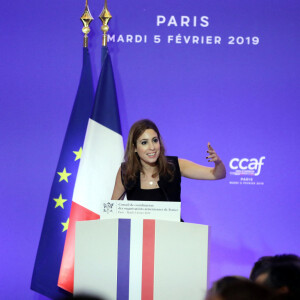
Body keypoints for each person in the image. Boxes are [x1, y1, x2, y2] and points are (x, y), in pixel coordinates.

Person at [111, 119, 226, 202]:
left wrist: (218, 163)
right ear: (135, 147)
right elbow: (112, 211)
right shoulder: (126, 171)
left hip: (173, 233)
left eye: (155, 140)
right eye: (144, 142)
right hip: (139, 235)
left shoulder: (175, 165)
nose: (152, 147)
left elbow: (217, 175)